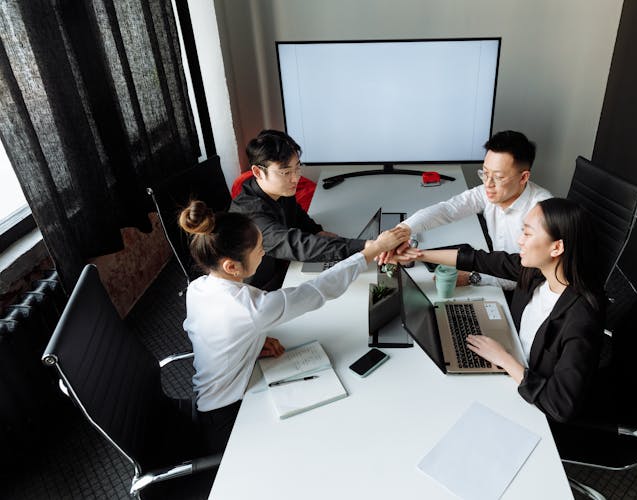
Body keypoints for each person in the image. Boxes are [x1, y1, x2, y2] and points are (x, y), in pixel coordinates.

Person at [180, 200, 409, 452]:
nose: (264, 252)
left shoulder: (199, 286)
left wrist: (251, 343)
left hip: (209, 402)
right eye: (258, 249)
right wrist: (372, 250)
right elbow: (318, 289)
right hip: (227, 418)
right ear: (231, 266)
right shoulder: (252, 310)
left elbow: (207, 332)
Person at [394, 198, 604, 424]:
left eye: (527, 233)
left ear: (557, 247)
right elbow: (480, 260)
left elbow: (560, 405)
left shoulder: (582, 317)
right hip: (511, 359)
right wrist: (418, 255)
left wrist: (503, 359)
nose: (519, 241)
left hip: (531, 403)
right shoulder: (540, 272)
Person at [388, 130, 551, 291]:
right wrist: (401, 231)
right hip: (497, 273)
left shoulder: (541, 213)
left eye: (499, 177)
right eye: (485, 173)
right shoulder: (491, 191)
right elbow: (448, 209)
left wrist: (473, 277)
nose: (488, 184)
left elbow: (530, 274)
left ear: (523, 177)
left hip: (528, 294)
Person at [230, 129, 372, 290]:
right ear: (258, 172)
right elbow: (298, 245)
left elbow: (297, 215)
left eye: (297, 167)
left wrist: (316, 231)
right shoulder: (250, 215)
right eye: (286, 172)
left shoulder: (280, 190)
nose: (296, 178)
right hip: (259, 289)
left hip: (286, 268)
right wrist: (367, 246)